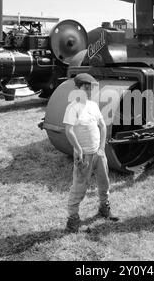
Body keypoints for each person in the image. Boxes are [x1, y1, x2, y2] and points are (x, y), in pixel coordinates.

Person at [63, 73, 119, 233]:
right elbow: (69, 129)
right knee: (79, 187)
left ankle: (104, 208)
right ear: (77, 89)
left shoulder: (93, 105)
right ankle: (72, 220)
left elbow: (102, 125)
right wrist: (78, 149)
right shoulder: (72, 107)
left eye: (90, 88)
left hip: (98, 154)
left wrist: (101, 148)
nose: (87, 91)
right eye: (84, 87)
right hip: (84, 156)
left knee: (104, 182)